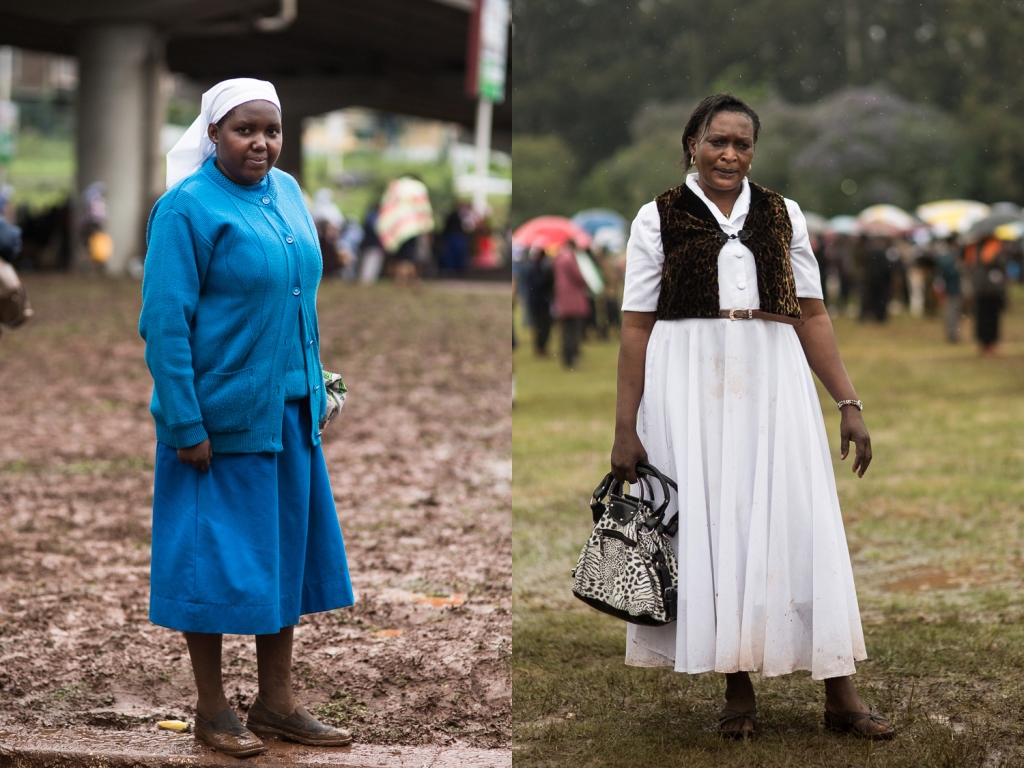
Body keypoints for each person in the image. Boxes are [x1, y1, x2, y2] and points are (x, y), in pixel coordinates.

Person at [611, 94, 893, 741]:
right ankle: (738, 694)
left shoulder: (781, 213)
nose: (729, 155)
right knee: (716, 532)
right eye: (718, 142)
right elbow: (634, 329)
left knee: (801, 522)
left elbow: (813, 314)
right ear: (692, 143)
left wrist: (848, 403)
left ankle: (841, 695)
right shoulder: (656, 219)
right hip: (689, 389)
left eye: (742, 144)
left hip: (774, 383)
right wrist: (626, 429)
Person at [139, 78, 355, 758]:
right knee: (211, 563)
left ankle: (277, 702)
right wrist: (185, 424)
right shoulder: (185, 210)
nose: (261, 142)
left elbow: (297, 298)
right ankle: (211, 709)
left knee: (283, 557)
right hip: (217, 422)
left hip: (289, 415)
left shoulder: (289, 193)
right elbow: (164, 325)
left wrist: (316, 384)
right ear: (212, 134)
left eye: (272, 129)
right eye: (244, 129)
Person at [963, 235, 1009, 355]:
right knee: (991, 317)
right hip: (991, 289)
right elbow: (1001, 264)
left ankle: (984, 344)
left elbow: (969, 267)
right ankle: (990, 344)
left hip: (979, 288)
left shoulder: (973, 248)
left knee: (982, 317)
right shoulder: (994, 246)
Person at [552, 242, 590, 369]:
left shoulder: (559, 259)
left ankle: (566, 356)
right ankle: (571, 357)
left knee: (565, 331)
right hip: (574, 300)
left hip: (563, 300)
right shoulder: (570, 259)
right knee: (573, 331)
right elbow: (579, 278)